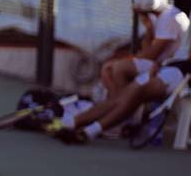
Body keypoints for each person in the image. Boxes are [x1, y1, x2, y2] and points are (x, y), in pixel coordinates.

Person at [50, 58, 190, 143]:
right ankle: (70, 123)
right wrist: (159, 64)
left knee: (135, 94)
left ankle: (89, 131)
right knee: (120, 97)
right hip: (169, 68)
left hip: (180, 77)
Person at [98, 0, 189, 99]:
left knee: (119, 68)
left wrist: (130, 59)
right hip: (160, 63)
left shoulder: (170, 18)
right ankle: (115, 103)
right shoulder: (158, 16)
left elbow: (151, 55)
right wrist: (149, 29)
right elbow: (147, 49)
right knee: (108, 68)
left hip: (169, 66)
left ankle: (121, 104)